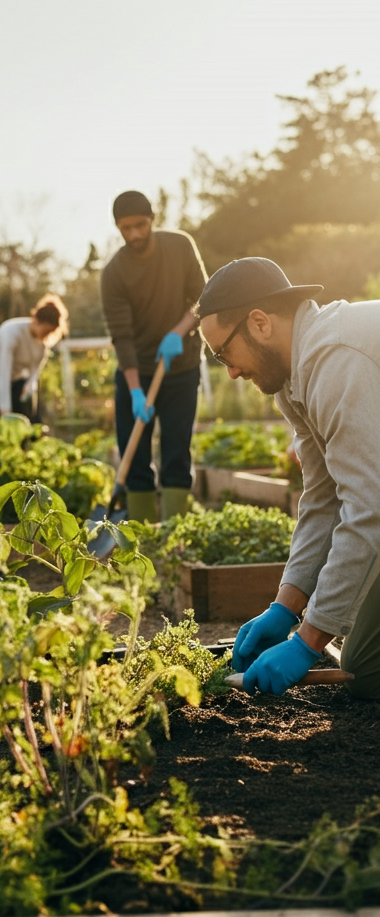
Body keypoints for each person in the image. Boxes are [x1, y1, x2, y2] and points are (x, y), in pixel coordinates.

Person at [198, 257, 380, 699]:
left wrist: (308, 641)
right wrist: (286, 605)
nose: (232, 372)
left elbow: (368, 508)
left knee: (364, 667)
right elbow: (322, 496)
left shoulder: (335, 361)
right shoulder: (292, 381)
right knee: (364, 665)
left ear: (259, 323)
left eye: (224, 353)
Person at [100, 190, 208, 523]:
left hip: (182, 367)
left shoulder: (180, 246)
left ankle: (173, 538)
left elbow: (204, 298)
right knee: (135, 460)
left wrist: (179, 331)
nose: (133, 234)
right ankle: (141, 541)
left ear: (153, 220)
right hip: (137, 372)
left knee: (176, 454)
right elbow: (122, 336)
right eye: (125, 228)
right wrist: (134, 390)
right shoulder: (114, 272)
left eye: (140, 225)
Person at [0, 294, 69, 422]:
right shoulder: (12, 334)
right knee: (3, 423)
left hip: (17, 378)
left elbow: (35, 371)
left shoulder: (42, 343)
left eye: (50, 333)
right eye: (46, 331)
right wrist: (5, 410)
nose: (47, 335)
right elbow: (4, 372)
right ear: (36, 320)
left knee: (29, 419)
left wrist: (28, 387)